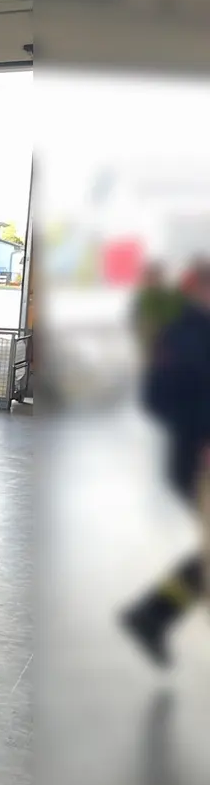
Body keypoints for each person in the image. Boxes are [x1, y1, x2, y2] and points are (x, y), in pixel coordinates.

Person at [123, 262, 210, 666]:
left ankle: (153, 615)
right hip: (197, 458)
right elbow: (156, 398)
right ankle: (153, 615)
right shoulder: (184, 334)